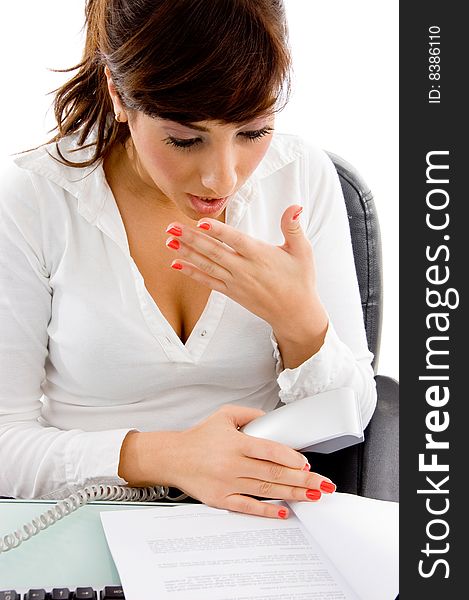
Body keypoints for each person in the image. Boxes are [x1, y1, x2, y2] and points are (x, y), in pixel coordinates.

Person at [0, 0, 376, 519]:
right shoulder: (35, 198)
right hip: (90, 518)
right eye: (183, 139)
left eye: (253, 132)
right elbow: (3, 441)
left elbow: (351, 419)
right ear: (118, 95)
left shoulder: (298, 178)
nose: (223, 178)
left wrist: (300, 322)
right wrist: (167, 457)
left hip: (263, 521)